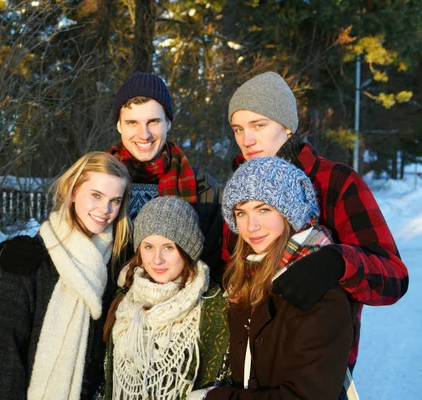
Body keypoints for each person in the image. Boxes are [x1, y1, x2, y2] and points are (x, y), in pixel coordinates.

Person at [223, 71, 409, 368]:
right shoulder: (238, 190)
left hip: (317, 369)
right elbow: (229, 270)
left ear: (287, 125)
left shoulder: (334, 181)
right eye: (237, 129)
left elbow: (394, 279)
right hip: (247, 368)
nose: (246, 139)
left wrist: (338, 261)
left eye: (259, 125)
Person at [0, 152, 132, 400]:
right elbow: (5, 352)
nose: (105, 210)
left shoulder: (119, 264)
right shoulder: (32, 259)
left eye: (115, 200)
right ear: (72, 192)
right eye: (96, 195)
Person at [203, 156, 356, 399]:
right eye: (241, 213)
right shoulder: (243, 278)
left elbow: (306, 396)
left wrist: (215, 398)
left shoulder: (319, 290)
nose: (251, 226)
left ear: (290, 214)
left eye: (264, 209)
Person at [101, 196, 229, 400]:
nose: (157, 259)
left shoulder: (213, 304)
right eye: (148, 247)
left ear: (188, 250)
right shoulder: (124, 299)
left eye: (169, 247)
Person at [109, 72, 222, 272]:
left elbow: (215, 265)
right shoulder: (95, 183)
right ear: (119, 125)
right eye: (132, 123)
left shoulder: (204, 190)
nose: (144, 135)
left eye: (153, 121)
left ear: (168, 123)